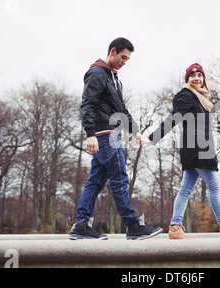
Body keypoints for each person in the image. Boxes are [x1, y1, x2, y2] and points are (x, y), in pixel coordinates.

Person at [69, 37, 163, 240]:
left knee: (95, 181)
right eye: (123, 57)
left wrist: (136, 132)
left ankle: (81, 225)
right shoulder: (96, 73)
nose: (124, 62)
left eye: (127, 59)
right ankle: (132, 226)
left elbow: (121, 109)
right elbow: (87, 104)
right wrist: (90, 134)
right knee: (120, 179)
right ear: (112, 51)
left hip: (111, 133)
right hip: (105, 135)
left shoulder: (113, 78)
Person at [145, 63, 220, 239]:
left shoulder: (199, 98)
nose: (196, 78)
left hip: (195, 147)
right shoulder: (187, 95)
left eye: (199, 75)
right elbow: (173, 118)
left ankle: (175, 227)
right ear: (187, 79)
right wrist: (153, 138)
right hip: (199, 147)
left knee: (185, 189)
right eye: (192, 75)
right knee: (214, 186)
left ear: (204, 78)